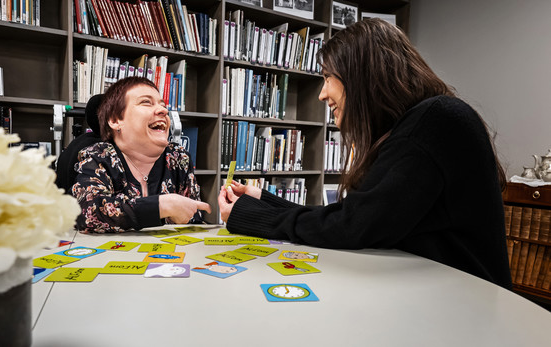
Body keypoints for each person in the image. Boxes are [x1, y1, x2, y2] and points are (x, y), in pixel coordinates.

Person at [218, 18, 512, 289]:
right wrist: (262, 200)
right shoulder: (416, 126)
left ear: (360, 75)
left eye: (327, 77)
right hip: (439, 294)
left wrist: (248, 216)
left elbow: (352, 226)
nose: (322, 94)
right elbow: (355, 216)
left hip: (468, 307)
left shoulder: (433, 120)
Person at [72, 76, 210, 233]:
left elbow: (193, 220)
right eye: (146, 102)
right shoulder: (98, 157)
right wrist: (161, 206)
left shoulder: (178, 157)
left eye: (163, 105)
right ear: (116, 120)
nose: (164, 111)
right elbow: (88, 215)